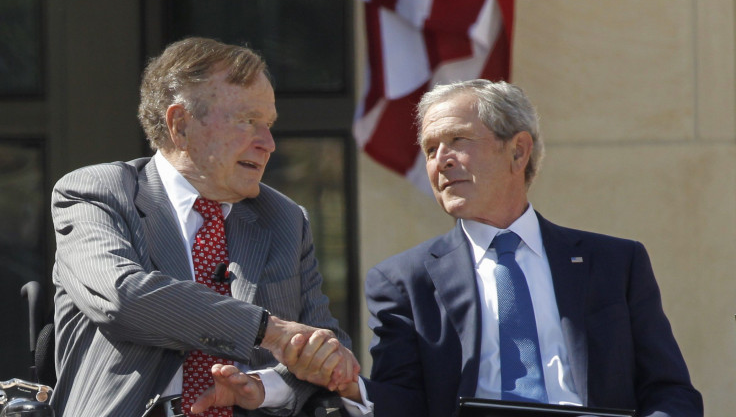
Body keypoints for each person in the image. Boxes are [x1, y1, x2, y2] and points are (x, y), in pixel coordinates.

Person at [202, 79, 704, 417]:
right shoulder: (404, 280)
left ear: (518, 150)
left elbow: (669, 390)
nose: (441, 161)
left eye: (457, 141)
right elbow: (403, 399)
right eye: (429, 149)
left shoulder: (614, 262)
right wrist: (350, 386)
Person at [50, 37, 358, 417]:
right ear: (180, 125)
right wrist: (268, 331)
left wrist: (265, 387)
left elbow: (326, 350)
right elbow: (122, 298)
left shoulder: (284, 218)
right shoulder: (97, 193)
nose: (268, 143)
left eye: (269, 125)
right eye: (247, 121)